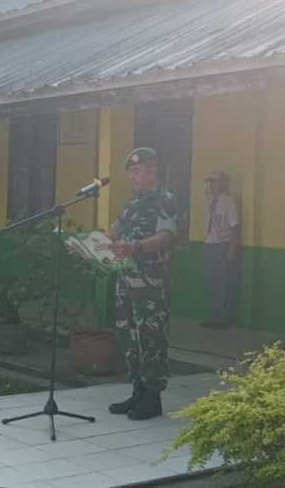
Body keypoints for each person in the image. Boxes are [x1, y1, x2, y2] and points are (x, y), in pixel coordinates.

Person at [106, 147, 178, 420]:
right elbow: (113, 232)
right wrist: (92, 244)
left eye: (137, 172)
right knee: (129, 336)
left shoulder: (166, 199)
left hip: (151, 283)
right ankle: (137, 390)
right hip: (126, 280)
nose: (132, 178)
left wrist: (134, 247)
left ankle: (152, 397)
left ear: (152, 171)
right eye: (130, 174)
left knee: (151, 337)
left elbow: (166, 236)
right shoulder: (133, 203)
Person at [201, 169, 240, 329]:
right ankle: (215, 316)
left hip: (223, 245)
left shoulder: (229, 202)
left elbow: (235, 227)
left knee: (224, 282)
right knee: (212, 282)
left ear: (223, 184)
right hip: (210, 245)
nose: (211, 185)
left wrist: (231, 249)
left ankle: (224, 319)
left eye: (215, 181)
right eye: (210, 181)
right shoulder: (210, 202)